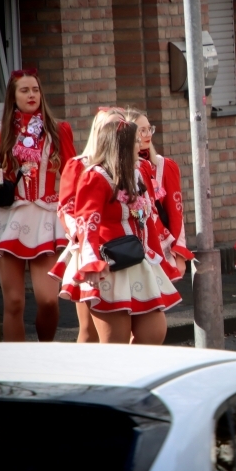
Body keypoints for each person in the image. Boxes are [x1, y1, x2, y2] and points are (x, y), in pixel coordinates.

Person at [0, 68, 75, 342]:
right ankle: (17, 363)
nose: (31, 95)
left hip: (47, 218)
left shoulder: (58, 130)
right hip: (8, 218)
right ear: (13, 96)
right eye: (24, 90)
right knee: (14, 302)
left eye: (35, 90)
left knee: (48, 300)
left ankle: (44, 353)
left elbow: (73, 174)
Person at [67, 119, 180, 344]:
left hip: (139, 262)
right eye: (135, 141)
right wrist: (90, 262)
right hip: (109, 266)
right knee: (115, 346)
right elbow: (87, 222)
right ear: (120, 146)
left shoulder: (136, 173)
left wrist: (160, 256)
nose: (141, 145)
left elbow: (147, 219)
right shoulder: (95, 176)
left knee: (153, 334)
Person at [51, 106, 126, 342]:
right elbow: (66, 207)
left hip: (122, 250)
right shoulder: (79, 165)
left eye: (122, 127)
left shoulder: (128, 166)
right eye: (111, 127)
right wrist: (81, 236)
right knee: (89, 329)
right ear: (99, 130)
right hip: (90, 250)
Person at [131, 110, 193, 280]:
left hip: (161, 246)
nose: (147, 134)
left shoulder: (164, 166)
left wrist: (179, 254)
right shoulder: (120, 169)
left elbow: (176, 211)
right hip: (131, 247)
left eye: (149, 129)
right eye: (141, 130)